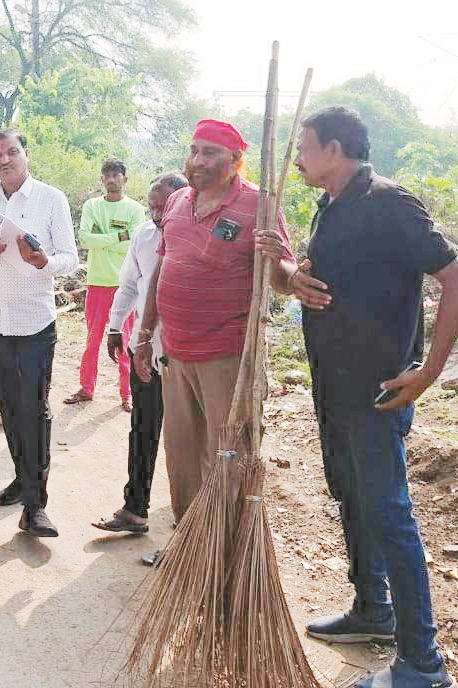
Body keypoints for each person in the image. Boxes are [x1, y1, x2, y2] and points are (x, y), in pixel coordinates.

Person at [272, 106, 458, 688]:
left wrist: (428, 372)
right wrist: (294, 277)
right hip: (333, 387)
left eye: (304, 147)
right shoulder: (330, 206)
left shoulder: (391, 204)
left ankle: (423, 664)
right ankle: (372, 609)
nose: (297, 159)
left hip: (376, 392)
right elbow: (310, 275)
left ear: (334, 150)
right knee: (352, 498)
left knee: (388, 514)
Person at [133, 120, 297, 564]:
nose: (198, 161)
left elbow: (284, 282)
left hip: (227, 358)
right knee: (182, 457)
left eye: (210, 153)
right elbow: (162, 269)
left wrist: (275, 259)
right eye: (194, 151)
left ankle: (225, 556)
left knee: (226, 458)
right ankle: (189, 547)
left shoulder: (259, 205)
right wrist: (145, 335)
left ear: (236, 160)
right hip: (176, 354)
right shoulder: (177, 201)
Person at [0, 128, 78, 538]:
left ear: (26, 154)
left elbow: (69, 258)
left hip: (35, 324)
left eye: (12, 152)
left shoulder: (50, 198)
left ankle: (35, 505)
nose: (5, 160)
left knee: (35, 410)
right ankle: (21, 480)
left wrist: (43, 261)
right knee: (9, 408)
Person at [90, 172, 187, 537]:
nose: (157, 214)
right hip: (145, 351)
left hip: (186, 357)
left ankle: (189, 521)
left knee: (186, 440)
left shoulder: (197, 237)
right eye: (152, 207)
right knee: (143, 429)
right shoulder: (144, 235)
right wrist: (115, 327)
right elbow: (129, 285)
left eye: (164, 207)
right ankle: (135, 509)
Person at [65, 158, 148, 411]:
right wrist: (119, 236)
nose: (111, 179)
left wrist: (103, 239)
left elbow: (132, 244)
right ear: (102, 179)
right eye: (107, 175)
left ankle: (127, 393)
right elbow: (85, 239)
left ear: (125, 179)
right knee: (92, 340)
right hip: (97, 283)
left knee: (124, 340)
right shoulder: (92, 205)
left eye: (116, 175)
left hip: (125, 287)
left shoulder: (134, 209)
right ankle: (87, 388)